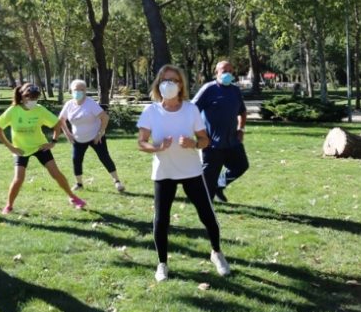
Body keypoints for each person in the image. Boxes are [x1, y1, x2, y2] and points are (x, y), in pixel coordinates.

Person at [137, 64, 229, 282]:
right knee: (161, 220)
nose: (169, 84)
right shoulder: (151, 111)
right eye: (165, 80)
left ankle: (216, 253)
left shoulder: (190, 109)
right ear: (159, 84)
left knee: (207, 215)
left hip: (191, 170)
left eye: (174, 80)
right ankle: (162, 263)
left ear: (181, 85)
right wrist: (157, 147)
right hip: (164, 172)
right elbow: (141, 142)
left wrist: (193, 143)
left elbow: (205, 140)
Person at [0, 83, 86, 214]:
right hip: (21, 150)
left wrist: (53, 142)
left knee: (56, 174)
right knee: (18, 179)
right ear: (22, 96)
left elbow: (57, 124)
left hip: (40, 147)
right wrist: (11, 148)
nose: (33, 101)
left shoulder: (40, 110)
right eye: (30, 98)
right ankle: (9, 206)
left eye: (35, 98)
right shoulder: (13, 110)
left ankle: (73, 197)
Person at [192, 60, 249, 203]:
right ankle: (206, 204)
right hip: (212, 144)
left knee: (241, 166)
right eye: (224, 71)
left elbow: (242, 111)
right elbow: (192, 111)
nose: (228, 74)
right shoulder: (208, 89)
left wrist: (241, 129)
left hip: (232, 141)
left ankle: (219, 185)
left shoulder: (235, 90)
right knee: (208, 181)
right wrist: (201, 135)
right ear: (216, 72)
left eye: (230, 71)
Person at [57, 79, 125, 193]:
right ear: (71, 91)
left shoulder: (90, 104)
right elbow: (61, 120)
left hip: (95, 137)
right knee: (76, 160)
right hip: (78, 139)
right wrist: (68, 134)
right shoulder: (69, 105)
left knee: (104, 157)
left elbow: (105, 118)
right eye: (76, 90)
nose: (78, 92)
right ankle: (79, 184)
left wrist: (100, 133)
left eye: (82, 89)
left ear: (85, 91)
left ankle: (117, 181)